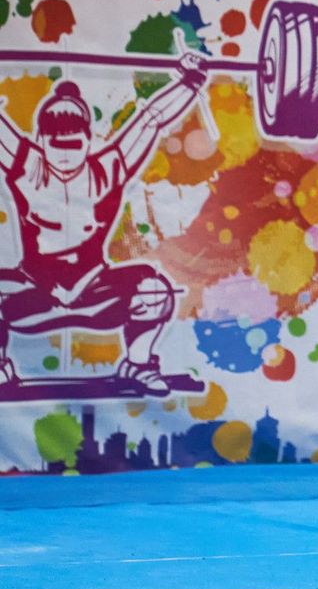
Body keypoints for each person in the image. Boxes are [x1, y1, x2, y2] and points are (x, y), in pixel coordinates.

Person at [0, 58, 207, 395]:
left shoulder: (109, 169)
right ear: (42, 139)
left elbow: (151, 121)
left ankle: (138, 364)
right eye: (56, 145)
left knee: (154, 290)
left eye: (73, 144)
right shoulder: (27, 168)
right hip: (34, 294)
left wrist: (191, 81)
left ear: (87, 138)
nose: (65, 155)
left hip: (93, 292)